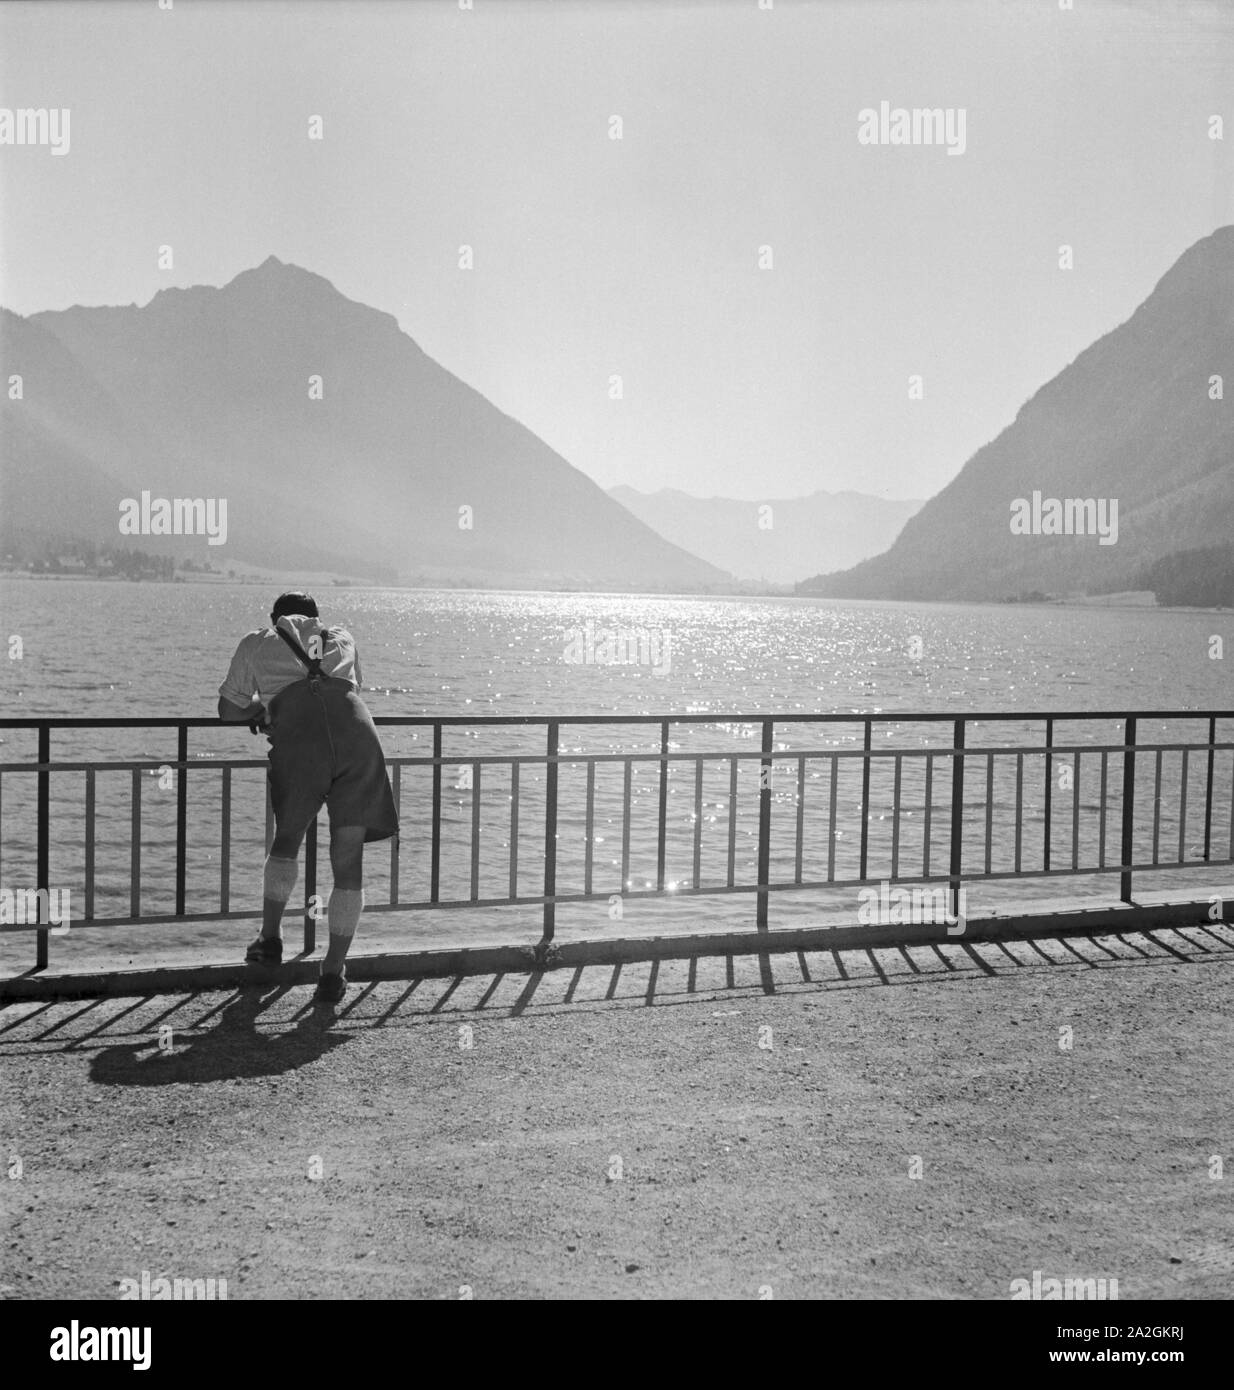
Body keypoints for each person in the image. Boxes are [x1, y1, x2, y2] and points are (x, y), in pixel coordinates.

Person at [217, 592, 398, 1004]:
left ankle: (270, 939)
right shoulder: (342, 638)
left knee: (287, 841)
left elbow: (229, 708)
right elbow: (349, 688)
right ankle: (333, 971)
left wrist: (261, 710)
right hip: (358, 739)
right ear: (317, 618)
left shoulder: (258, 642)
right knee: (348, 859)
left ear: (274, 618)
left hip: (301, 745)